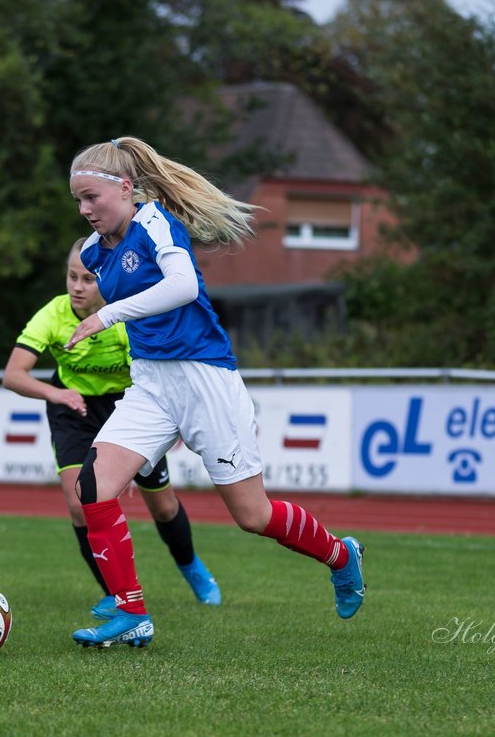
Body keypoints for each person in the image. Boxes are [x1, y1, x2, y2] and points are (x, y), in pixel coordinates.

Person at [63, 135, 365, 648]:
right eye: (78, 200)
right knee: (92, 488)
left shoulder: (154, 222)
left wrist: (106, 315)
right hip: (152, 383)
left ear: (127, 188)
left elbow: (183, 287)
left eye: (92, 196)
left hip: (205, 379)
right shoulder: (93, 251)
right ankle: (130, 611)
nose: (85, 208)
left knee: (253, 516)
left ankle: (341, 555)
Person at [2, 237, 221, 619]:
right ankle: (115, 594)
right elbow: (13, 375)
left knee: (163, 505)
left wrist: (164, 427)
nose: (77, 286)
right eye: (72, 277)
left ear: (104, 280)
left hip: (129, 406)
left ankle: (193, 570)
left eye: (87, 279)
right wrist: (56, 395)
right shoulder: (52, 314)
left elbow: (155, 375)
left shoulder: (124, 317)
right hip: (74, 409)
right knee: (79, 504)